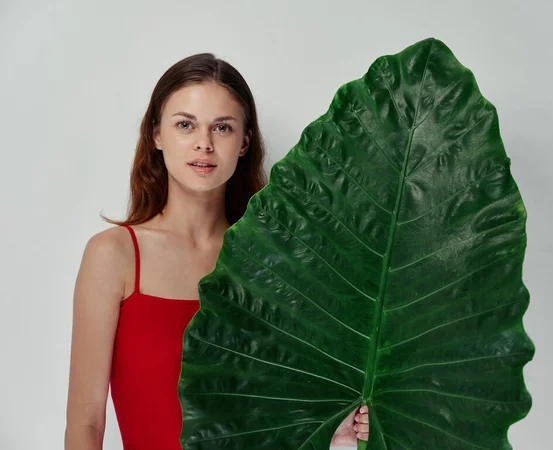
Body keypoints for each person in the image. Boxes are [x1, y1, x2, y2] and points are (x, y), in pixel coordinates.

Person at [64, 53, 370, 449]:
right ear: (157, 135)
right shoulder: (115, 255)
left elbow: (278, 414)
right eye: (185, 125)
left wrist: (335, 431)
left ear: (244, 142)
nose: (204, 143)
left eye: (222, 127)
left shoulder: (272, 262)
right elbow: (86, 421)